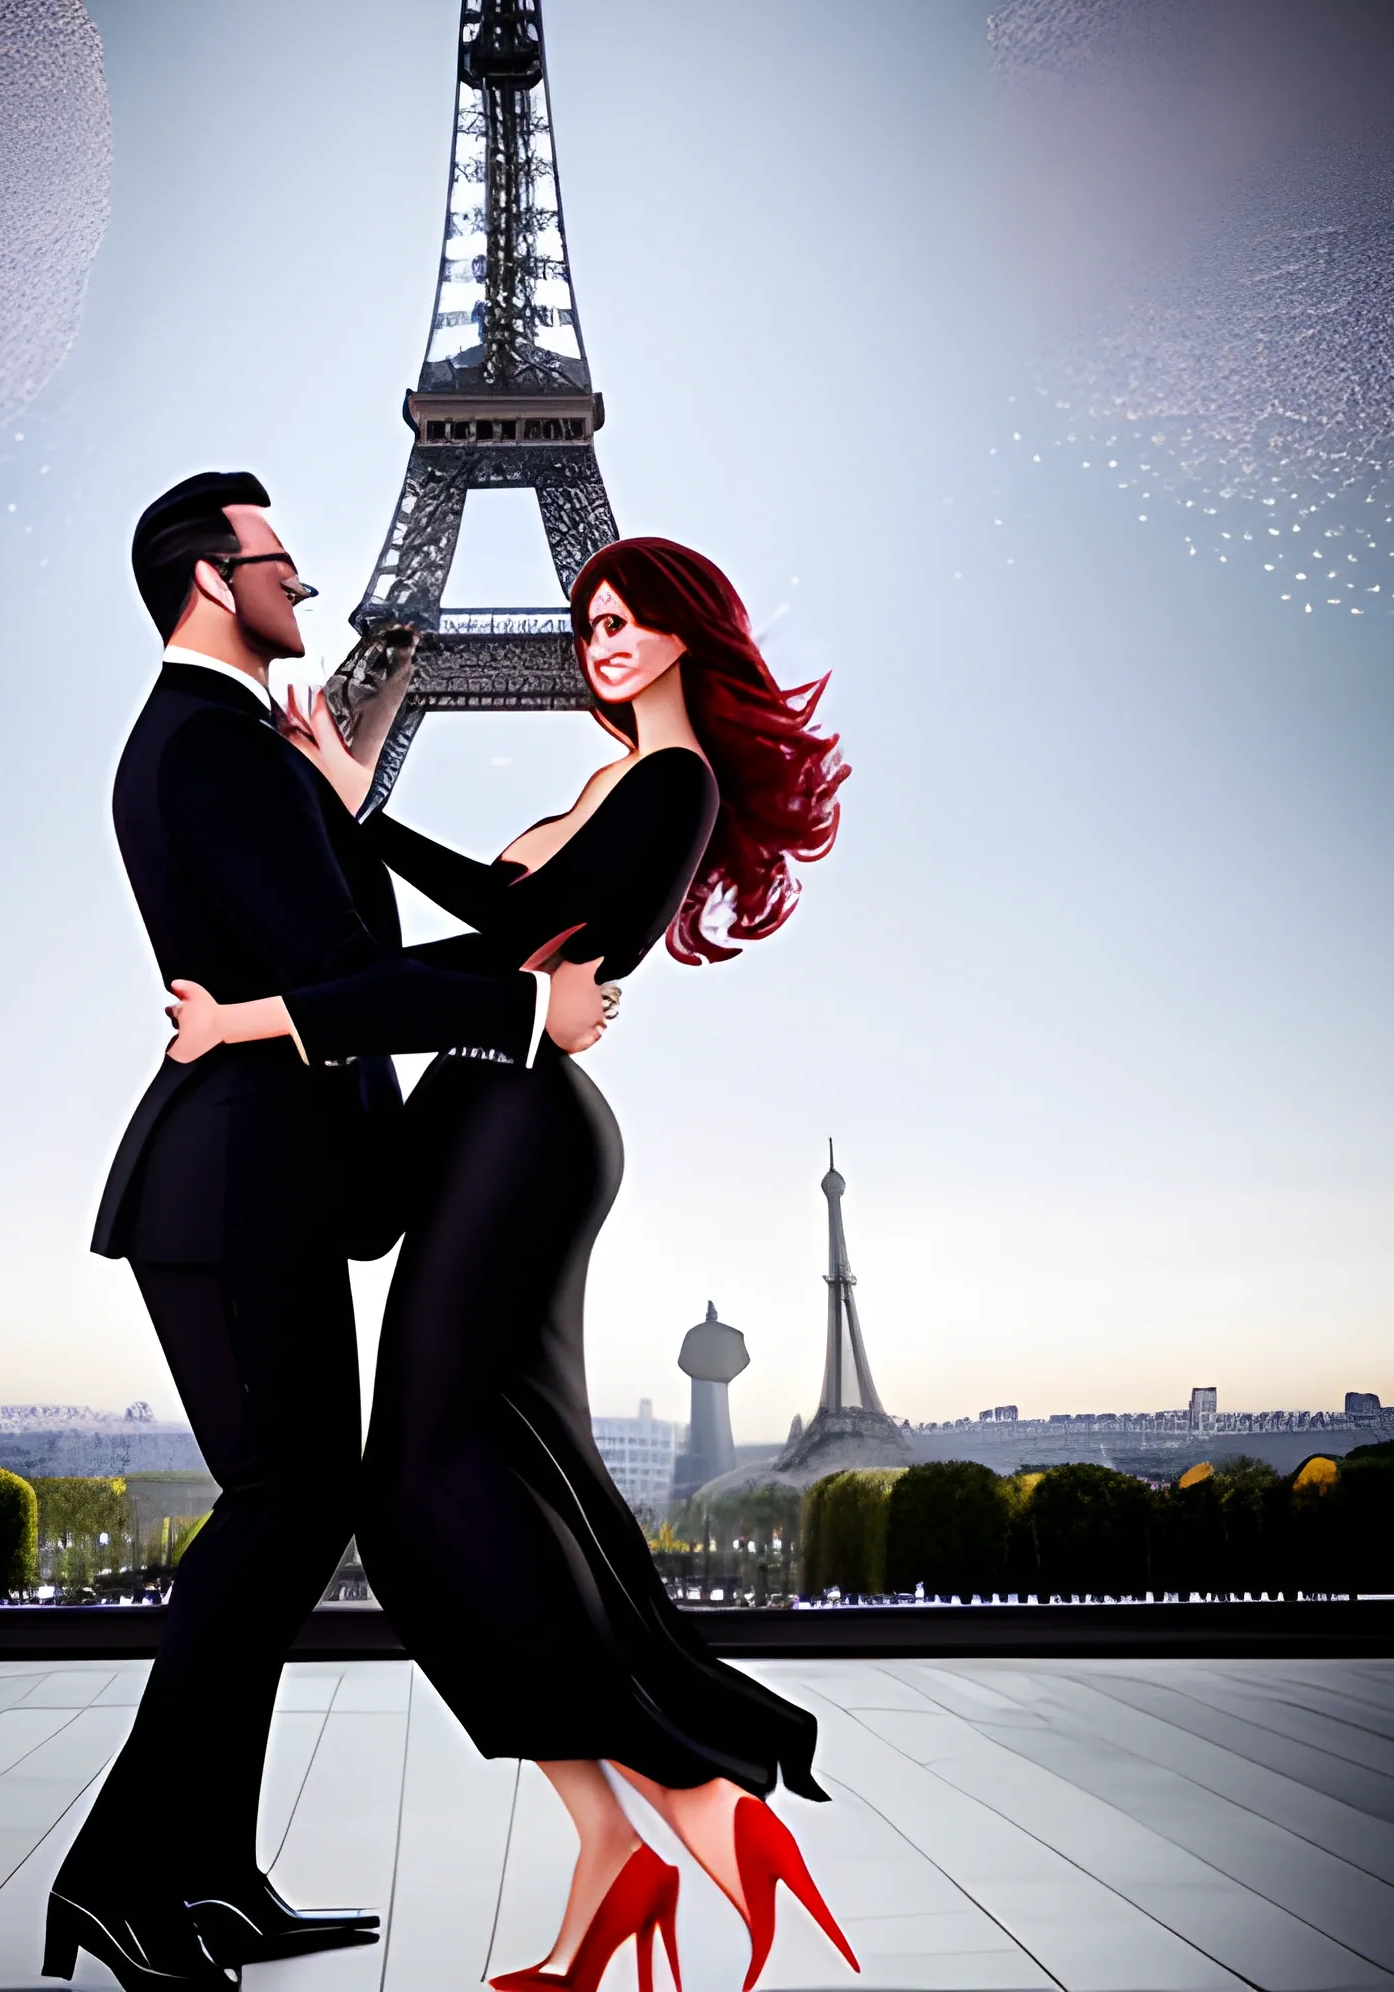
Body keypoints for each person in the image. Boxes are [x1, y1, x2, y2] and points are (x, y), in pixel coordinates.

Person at [170, 537, 859, 1991]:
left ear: (691, 634)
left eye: (632, 619)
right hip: (503, 1120)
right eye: (591, 621)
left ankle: (691, 1801)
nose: (603, 641)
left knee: (426, 1482)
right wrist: (361, 812)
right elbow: (501, 932)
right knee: (507, 1470)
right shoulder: (624, 782)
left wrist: (261, 1006)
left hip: (522, 1132)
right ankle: (617, 1852)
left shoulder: (674, 783)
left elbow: (500, 962)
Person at [50, 472, 608, 1989]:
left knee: (294, 1513)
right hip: (234, 1185)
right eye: (278, 562)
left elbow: (334, 952)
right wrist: (516, 1006)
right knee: (283, 1510)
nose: (306, 582)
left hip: (264, 1177)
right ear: (209, 583)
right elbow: (343, 971)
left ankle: (209, 1876)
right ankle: (117, 1878)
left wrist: (355, 808)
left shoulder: (236, 745)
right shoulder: (210, 749)